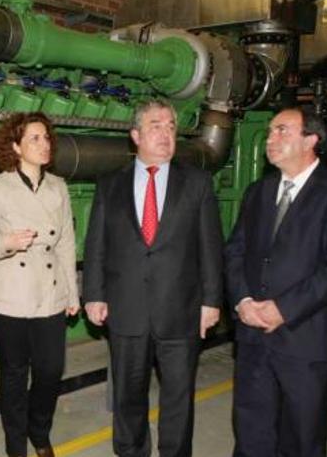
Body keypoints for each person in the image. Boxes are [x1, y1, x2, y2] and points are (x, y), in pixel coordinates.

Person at [83, 100, 223, 457]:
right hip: (126, 307)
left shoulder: (197, 183)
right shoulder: (110, 185)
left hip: (181, 309)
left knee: (178, 395)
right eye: (156, 125)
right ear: (135, 136)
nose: (166, 134)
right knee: (128, 393)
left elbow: (210, 247)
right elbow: (97, 244)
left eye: (171, 127)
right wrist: (94, 294)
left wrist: (211, 301)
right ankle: (131, 451)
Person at [226, 108, 327, 457]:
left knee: (302, 438)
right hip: (253, 337)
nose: (271, 139)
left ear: (311, 139)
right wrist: (243, 301)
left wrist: (284, 309)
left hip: (306, 340)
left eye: (282, 131)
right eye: (272, 131)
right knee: (251, 435)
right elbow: (235, 252)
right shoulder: (258, 192)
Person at [0, 112, 80, 457]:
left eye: (46, 138)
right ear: (15, 146)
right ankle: (16, 445)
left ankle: (39, 429)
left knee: (49, 370)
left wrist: (72, 292)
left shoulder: (58, 187)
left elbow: (65, 243)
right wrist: (6, 244)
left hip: (49, 292)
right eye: (34, 138)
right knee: (15, 374)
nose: (44, 144)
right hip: (7, 295)